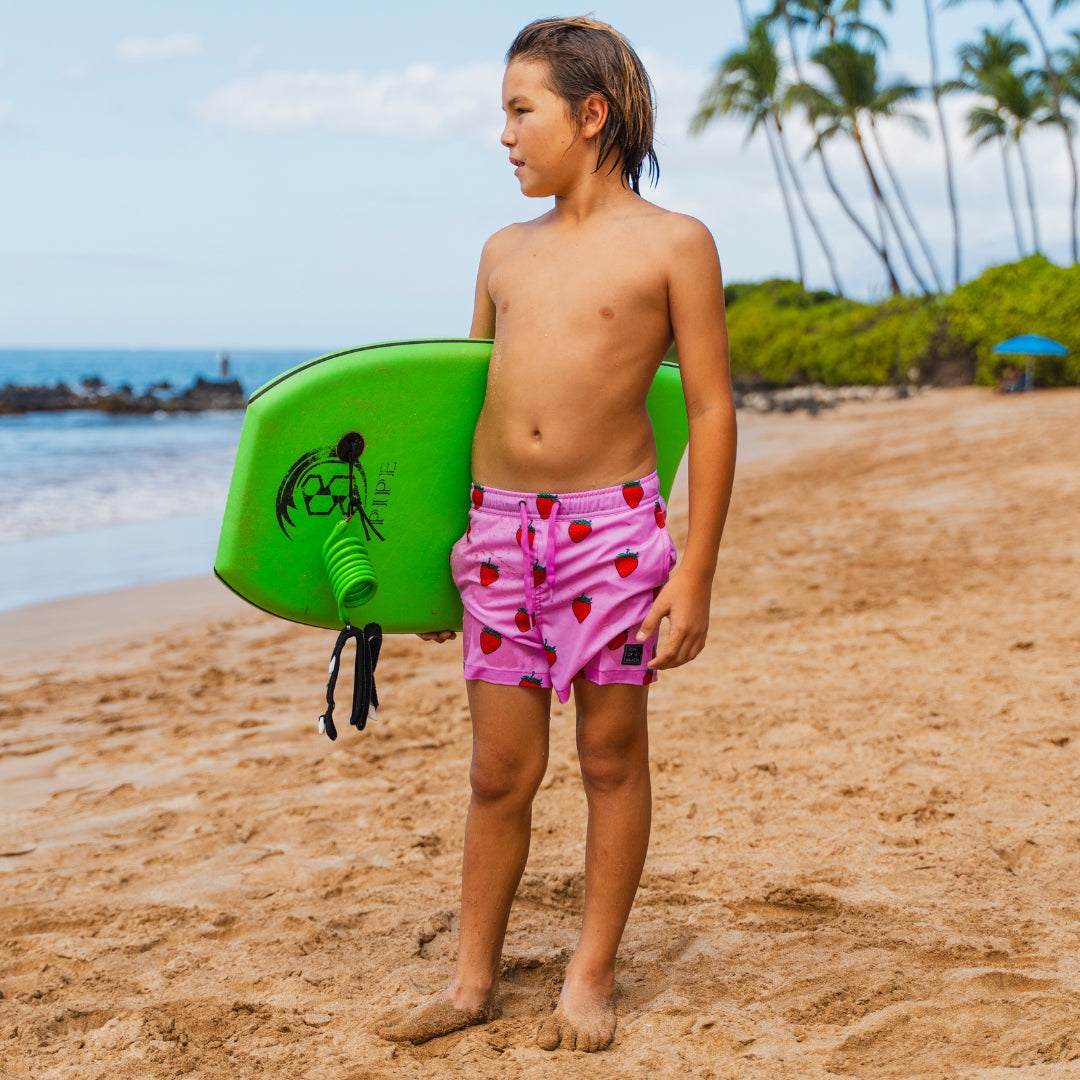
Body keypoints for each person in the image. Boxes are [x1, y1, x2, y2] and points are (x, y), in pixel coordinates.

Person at [377, 16, 736, 1053]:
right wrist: (430, 562)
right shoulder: (503, 252)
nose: (504, 136)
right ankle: (470, 982)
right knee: (499, 770)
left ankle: (590, 974)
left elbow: (710, 409)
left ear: (591, 115)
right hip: (497, 535)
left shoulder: (675, 244)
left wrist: (695, 572)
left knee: (610, 758)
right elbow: (457, 409)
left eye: (520, 111)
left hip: (610, 535)